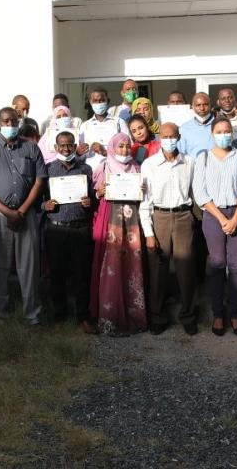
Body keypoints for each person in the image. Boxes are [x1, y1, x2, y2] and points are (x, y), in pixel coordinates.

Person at [0, 107, 47, 324]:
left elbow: (39, 181)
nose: (9, 125)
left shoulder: (32, 148)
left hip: (27, 215)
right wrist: (8, 213)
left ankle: (32, 315)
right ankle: (1, 316)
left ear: (18, 121)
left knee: (30, 267)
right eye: (5, 122)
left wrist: (21, 211)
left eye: (13, 121)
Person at [193, 119, 237, 337]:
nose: (224, 135)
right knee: (217, 265)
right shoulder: (204, 158)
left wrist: (236, 218)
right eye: (219, 131)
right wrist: (221, 218)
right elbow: (200, 192)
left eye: (227, 131)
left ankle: (235, 314)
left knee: (236, 266)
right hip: (213, 215)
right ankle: (218, 313)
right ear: (212, 134)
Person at [140, 123, 198, 335]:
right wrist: (148, 233)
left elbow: (194, 192)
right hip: (160, 217)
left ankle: (188, 315)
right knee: (158, 270)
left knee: (186, 270)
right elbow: (144, 201)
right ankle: (157, 316)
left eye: (173, 136)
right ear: (160, 138)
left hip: (183, 216)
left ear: (179, 137)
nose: (169, 140)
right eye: (165, 136)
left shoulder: (189, 162)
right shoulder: (149, 165)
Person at [90, 132, 147, 335]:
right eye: (120, 146)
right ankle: (110, 317)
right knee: (111, 265)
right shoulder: (103, 167)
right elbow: (92, 196)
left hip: (131, 224)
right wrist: (100, 192)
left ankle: (134, 316)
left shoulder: (137, 168)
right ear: (112, 148)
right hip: (110, 221)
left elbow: (144, 197)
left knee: (131, 265)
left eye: (126, 146)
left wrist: (143, 189)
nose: (123, 150)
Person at [42, 131, 97, 333]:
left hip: (80, 227)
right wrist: (44, 205)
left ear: (75, 146)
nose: (66, 149)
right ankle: (59, 315)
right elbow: (38, 198)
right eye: (62, 146)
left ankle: (83, 315)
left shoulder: (86, 169)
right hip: (56, 229)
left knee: (82, 274)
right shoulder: (48, 170)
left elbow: (94, 198)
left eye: (70, 145)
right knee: (57, 274)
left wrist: (90, 202)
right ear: (56, 148)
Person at [80, 87, 130, 166]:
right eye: (95, 101)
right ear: (90, 102)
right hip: (92, 170)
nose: (99, 103)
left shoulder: (119, 122)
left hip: (114, 169)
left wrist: (105, 152)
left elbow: (129, 149)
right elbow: (81, 154)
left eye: (102, 100)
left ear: (108, 101)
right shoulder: (84, 126)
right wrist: (79, 152)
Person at [178, 92, 215, 157]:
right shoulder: (184, 128)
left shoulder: (219, 125)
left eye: (205, 104)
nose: (202, 108)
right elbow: (182, 153)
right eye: (198, 105)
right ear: (192, 107)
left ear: (211, 106)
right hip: (193, 165)